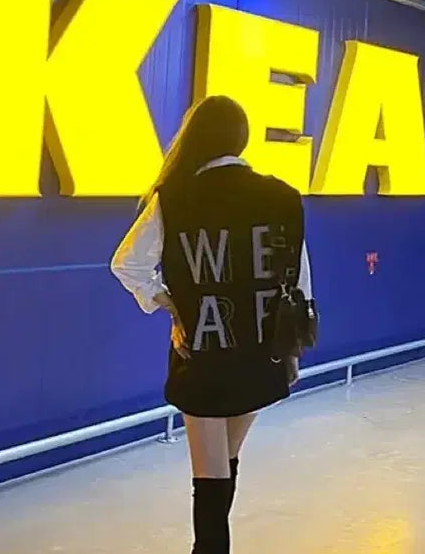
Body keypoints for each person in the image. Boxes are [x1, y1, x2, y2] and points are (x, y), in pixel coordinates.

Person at [110, 95, 313, 554]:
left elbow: (127, 264)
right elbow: (299, 282)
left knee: (210, 477)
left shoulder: (174, 198)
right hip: (264, 352)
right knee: (225, 463)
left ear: (195, 137)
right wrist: (293, 352)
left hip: (202, 352)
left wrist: (169, 305)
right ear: (243, 139)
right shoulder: (283, 197)